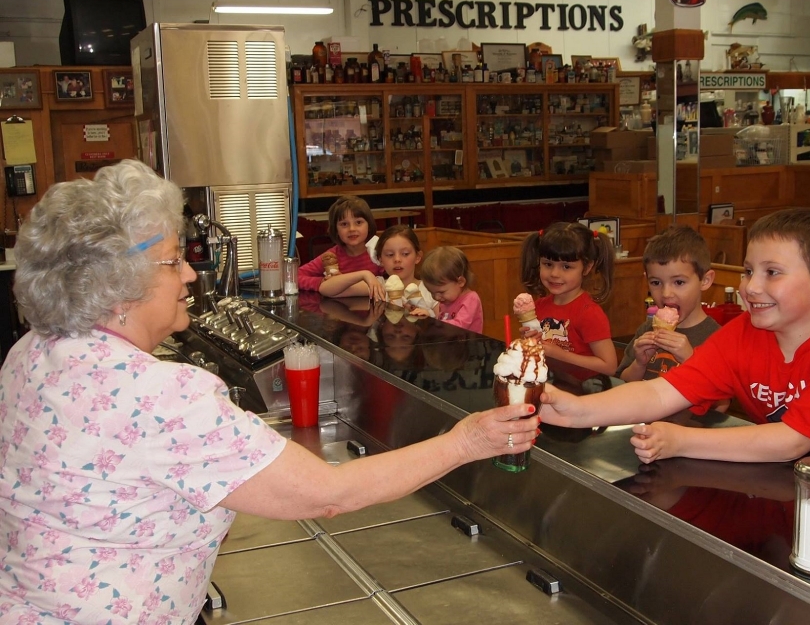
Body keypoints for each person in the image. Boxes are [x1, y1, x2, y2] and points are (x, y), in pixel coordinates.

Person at [0, 160, 539, 624]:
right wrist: (465, 442)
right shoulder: (159, 394)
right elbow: (328, 494)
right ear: (118, 285)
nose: (190, 273)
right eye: (172, 260)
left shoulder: (30, 353)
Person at [540, 208, 810, 469]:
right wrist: (579, 411)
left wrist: (681, 441)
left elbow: (790, 442)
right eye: (748, 271)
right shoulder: (745, 332)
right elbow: (662, 392)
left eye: (771, 272)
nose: (750, 286)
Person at [617, 226, 720, 382]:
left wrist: (691, 359)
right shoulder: (646, 329)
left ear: (705, 281)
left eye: (678, 282)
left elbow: (720, 403)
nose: (666, 294)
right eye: (656, 282)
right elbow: (623, 381)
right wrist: (639, 363)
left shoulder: (717, 338)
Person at [519, 222, 617, 376]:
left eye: (566, 267)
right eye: (548, 264)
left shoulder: (590, 314)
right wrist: (530, 341)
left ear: (587, 267)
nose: (554, 274)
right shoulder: (538, 307)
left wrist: (560, 355)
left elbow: (609, 366)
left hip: (585, 393)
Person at [298, 196, 386, 301]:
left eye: (358, 222)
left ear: (369, 225)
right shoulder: (332, 255)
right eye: (344, 224)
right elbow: (295, 277)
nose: (352, 229)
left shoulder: (380, 253)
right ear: (336, 230)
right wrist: (323, 282)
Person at [415, 245, 483, 332]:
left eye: (441, 292)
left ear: (460, 282)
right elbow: (444, 320)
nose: (436, 297)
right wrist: (430, 318)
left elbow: (459, 326)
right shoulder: (446, 300)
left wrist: (433, 324)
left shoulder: (471, 299)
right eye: (432, 292)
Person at [376, 225, 437, 317]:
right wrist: (365, 275)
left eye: (405, 254)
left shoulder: (431, 289)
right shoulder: (378, 286)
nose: (397, 259)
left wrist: (429, 316)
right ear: (380, 259)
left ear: (418, 257)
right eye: (390, 254)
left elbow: (443, 322)